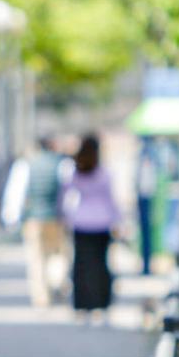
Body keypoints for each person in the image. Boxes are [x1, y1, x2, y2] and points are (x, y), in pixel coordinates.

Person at [62, 134, 120, 320]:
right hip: (101, 223)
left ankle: (82, 302)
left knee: (82, 264)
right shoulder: (103, 173)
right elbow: (111, 200)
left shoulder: (75, 171)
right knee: (99, 264)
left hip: (81, 221)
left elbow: (64, 194)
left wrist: (65, 216)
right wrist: (118, 220)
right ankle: (100, 302)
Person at [21, 136, 69, 306]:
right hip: (56, 217)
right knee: (57, 254)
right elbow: (67, 192)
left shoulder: (27, 164)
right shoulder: (61, 164)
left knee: (36, 258)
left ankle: (41, 295)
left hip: (33, 218)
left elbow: (18, 192)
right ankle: (56, 282)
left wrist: (13, 217)